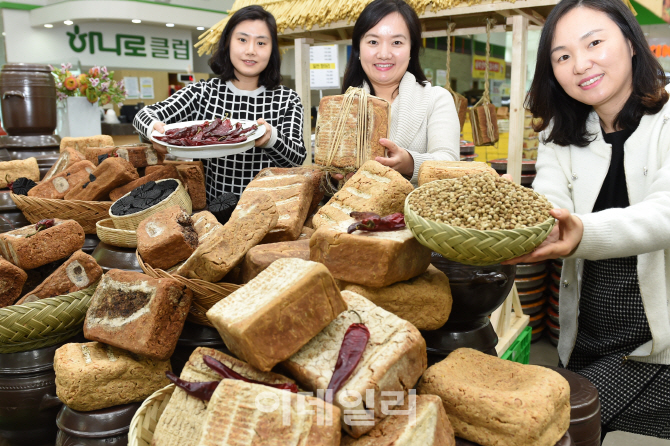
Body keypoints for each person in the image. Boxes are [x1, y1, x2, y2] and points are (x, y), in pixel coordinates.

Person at [506, 0, 670, 438]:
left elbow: (665, 213)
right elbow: (548, 203)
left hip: (658, 344)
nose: (580, 64)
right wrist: (517, 228)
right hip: (585, 334)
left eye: (594, 42)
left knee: (557, 426)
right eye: (562, 56)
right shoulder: (559, 134)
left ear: (632, 43)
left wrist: (581, 231)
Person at [133, 6, 305, 201]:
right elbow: (144, 115)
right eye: (242, 40)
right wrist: (154, 131)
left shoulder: (287, 98)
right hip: (212, 213)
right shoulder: (203, 92)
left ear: (272, 49)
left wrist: (270, 137)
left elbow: (297, 158)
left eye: (261, 43)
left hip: (270, 211)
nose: (251, 50)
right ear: (227, 44)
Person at [338, 0, 459, 184]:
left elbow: (450, 163)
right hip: (354, 211)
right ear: (358, 49)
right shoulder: (343, 106)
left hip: (419, 210)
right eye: (373, 42)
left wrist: (410, 163)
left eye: (396, 42)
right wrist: (333, 176)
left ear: (411, 49)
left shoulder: (436, 99)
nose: (384, 53)